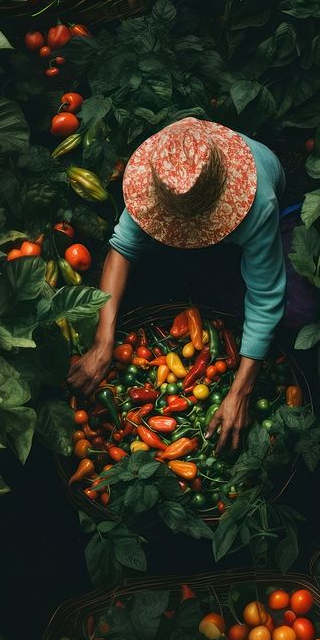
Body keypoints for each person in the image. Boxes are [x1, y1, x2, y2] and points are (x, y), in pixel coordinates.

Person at [67, 117, 286, 452]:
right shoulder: (162, 178)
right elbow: (122, 248)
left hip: (249, 225)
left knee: (279, 306)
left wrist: (240, 391)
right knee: (153, 282)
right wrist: (103, 339)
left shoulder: (258, 205)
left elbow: (265, 295)